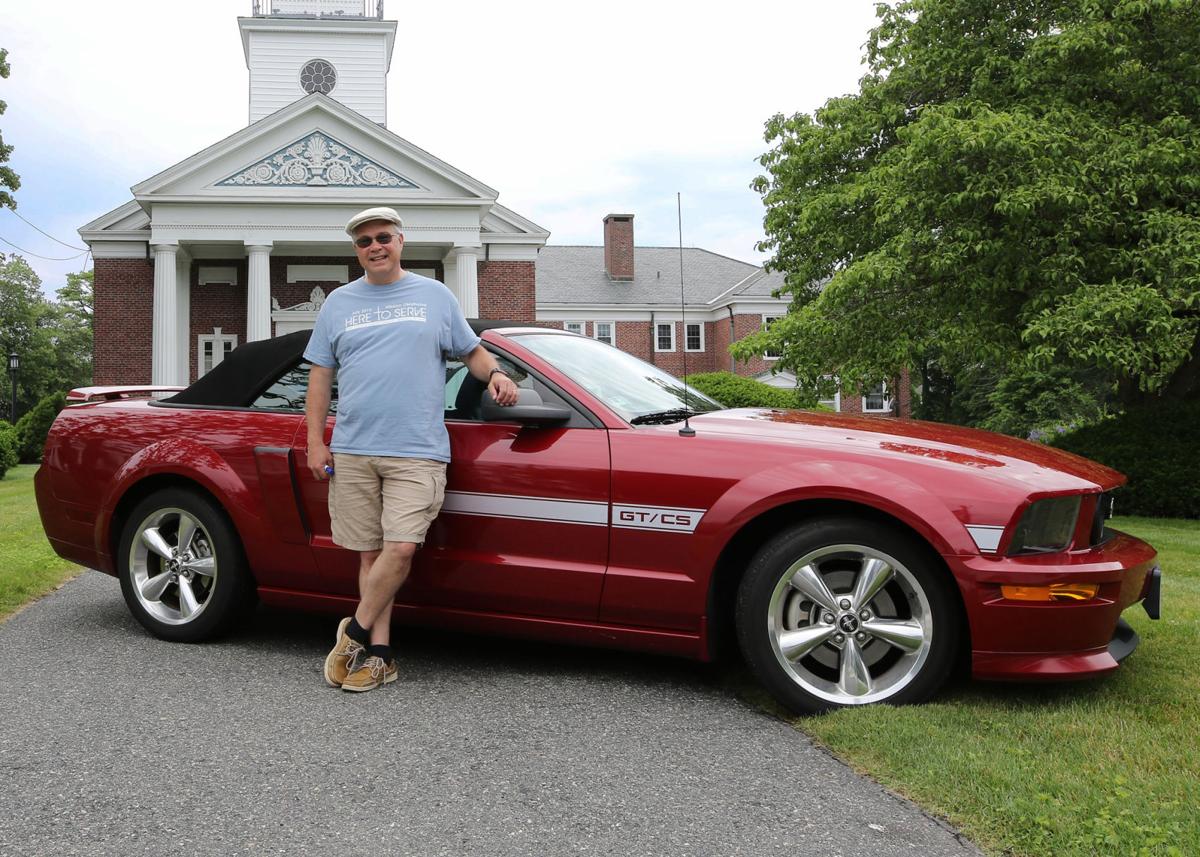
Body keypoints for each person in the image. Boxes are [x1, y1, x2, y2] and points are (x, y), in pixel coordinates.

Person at [304, 206, 519, 692]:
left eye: (382, 237)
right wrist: (316, 442)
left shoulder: (434, 296)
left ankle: (352, 632)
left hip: (417, 449)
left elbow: (471, 351)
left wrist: (499, 373)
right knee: (369, 555)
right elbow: (320, 377)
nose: (374, 246)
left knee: (401, 549)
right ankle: (379, 656)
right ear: (356, 251)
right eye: (363, 241)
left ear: (401, 240)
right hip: (354, 449)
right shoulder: (339, 303)